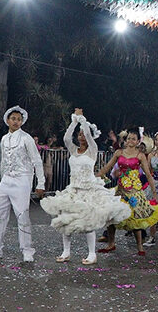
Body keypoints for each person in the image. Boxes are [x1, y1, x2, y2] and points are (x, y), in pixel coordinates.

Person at [40, 109, 130, 265]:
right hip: (73, 189)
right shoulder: (74, 150)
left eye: (83, 134)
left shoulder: (92, 150)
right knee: (65, 220)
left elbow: (88, 135)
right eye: (79, 134)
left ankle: (91, 254)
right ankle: (66, 252)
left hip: (88, 190)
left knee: (89, 222)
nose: (81, 136)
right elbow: (67, 138)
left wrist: (82, 120)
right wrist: (74, 122)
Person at [0, 106, 45, 262]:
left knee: (22, 215)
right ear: (7, 121)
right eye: (13, 119)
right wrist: (2, 179)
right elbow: (3, 161)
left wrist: (40, 182)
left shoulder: (26, 138)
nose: (16, 122)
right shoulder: (4, 138)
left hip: (22, 179)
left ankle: (27, 250)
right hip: (6, 179)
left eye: (19, 119)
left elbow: (36, 160)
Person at [95, 128, 158, 256]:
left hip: (135, 191)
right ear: (125, 140)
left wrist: (154, 192)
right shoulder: (119, 153)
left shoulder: (140, 155)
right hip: (120, 190)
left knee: (136, 218)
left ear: (138, 141)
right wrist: (94, 178)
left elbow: (148, 175)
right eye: (129, 138)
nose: (131, 141)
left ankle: (140, 246)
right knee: (112, 216)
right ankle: (111, 244)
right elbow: (107, 167)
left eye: (134, 138)